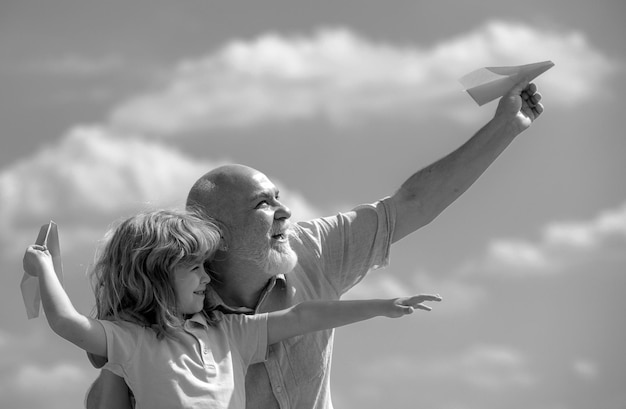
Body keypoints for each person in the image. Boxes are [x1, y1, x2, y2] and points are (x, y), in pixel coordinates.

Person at [87, 79, 545, 409]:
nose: (285, 213)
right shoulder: (171, 297)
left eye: (279, 198)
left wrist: (506, 126)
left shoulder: (314, 250)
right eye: (263, 205)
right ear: (216, 234)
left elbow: (412, 204)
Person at [23, 209, 442, 409]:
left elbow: (303, 317)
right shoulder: (131, 341)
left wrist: (384, 306)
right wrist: (43, 266)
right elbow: (67, 323)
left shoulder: (229, 334)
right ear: (154, 277)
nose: (207, 279)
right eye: (194, 269)